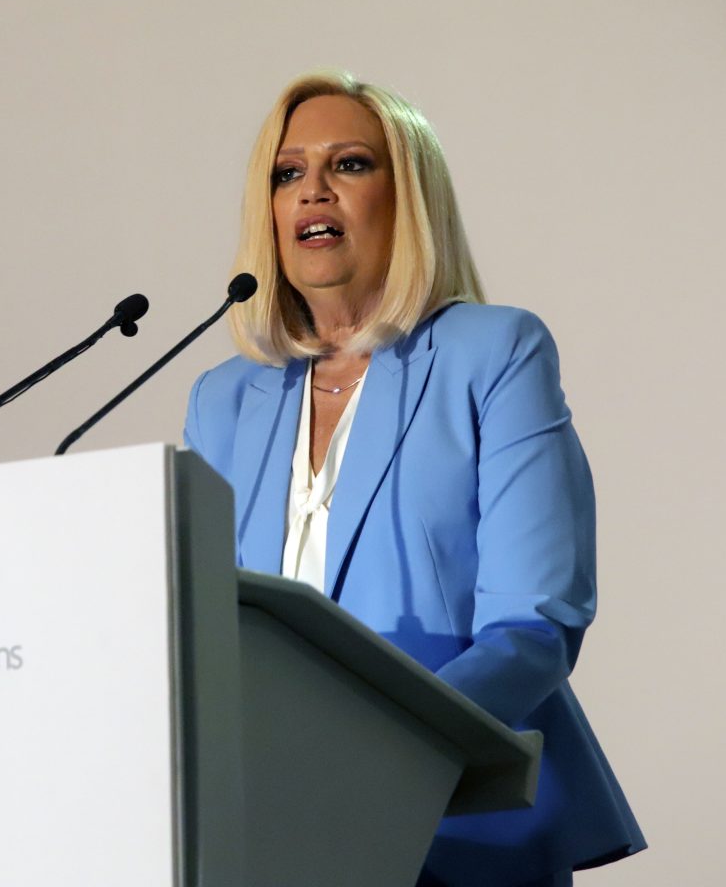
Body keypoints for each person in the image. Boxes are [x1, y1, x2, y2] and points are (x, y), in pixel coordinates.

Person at [183, 71, 646, 886]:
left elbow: (533, 626)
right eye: (287, 173)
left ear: (409, 199)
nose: (313, 191)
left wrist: (377, 749)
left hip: (454, 821)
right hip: (269, 833)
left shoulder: (492, 354)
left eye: (349, 164)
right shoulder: (223, 401)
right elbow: (207, 639)